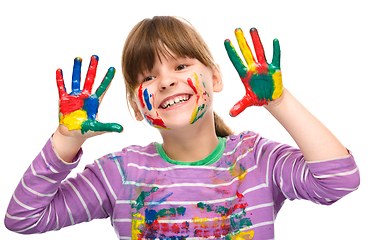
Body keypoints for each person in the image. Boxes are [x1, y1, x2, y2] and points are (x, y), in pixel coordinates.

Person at [5, 16, 360, 240]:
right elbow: (23, 218)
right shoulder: (120, 173)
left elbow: (339, 181)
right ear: (136, 105)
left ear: (216, 77)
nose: (165, 82)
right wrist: (66, 139)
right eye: (148, 76)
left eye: (180, 65)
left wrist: (279, 102)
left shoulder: (256, 159)